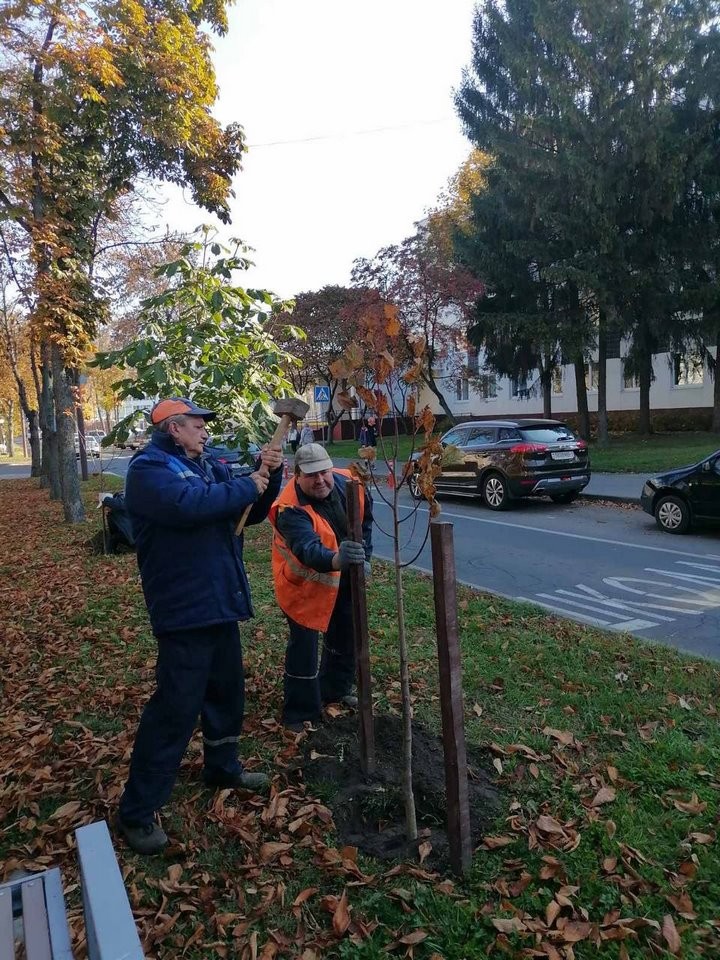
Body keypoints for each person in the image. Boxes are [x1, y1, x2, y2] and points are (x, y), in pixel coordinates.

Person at [117, 397, 283, 855]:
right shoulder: (148, 471)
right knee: (175, 707)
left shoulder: (207, 465)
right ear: (173, 428)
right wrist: (248, 482)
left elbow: (249, 508)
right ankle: (137, 810)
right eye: (197, 424)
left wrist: (268, 472)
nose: (205, 432)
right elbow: (193, 506)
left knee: (227, 691)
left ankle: (222, 766)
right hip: (184, 608)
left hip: (218, 601)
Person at [268, 443, 372, 732]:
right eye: (312, 475)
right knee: (304, 649)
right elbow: (307, 549)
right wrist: (337, 559)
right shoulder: (290, 508)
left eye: (324, 472)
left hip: (343, 578)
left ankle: (334, 690)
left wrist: (367, 556)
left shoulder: (351, 485)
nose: (320, 480)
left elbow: (365, 523)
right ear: (297, 475)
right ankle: (299, 713)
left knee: (346, 635)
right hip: (302, 585)